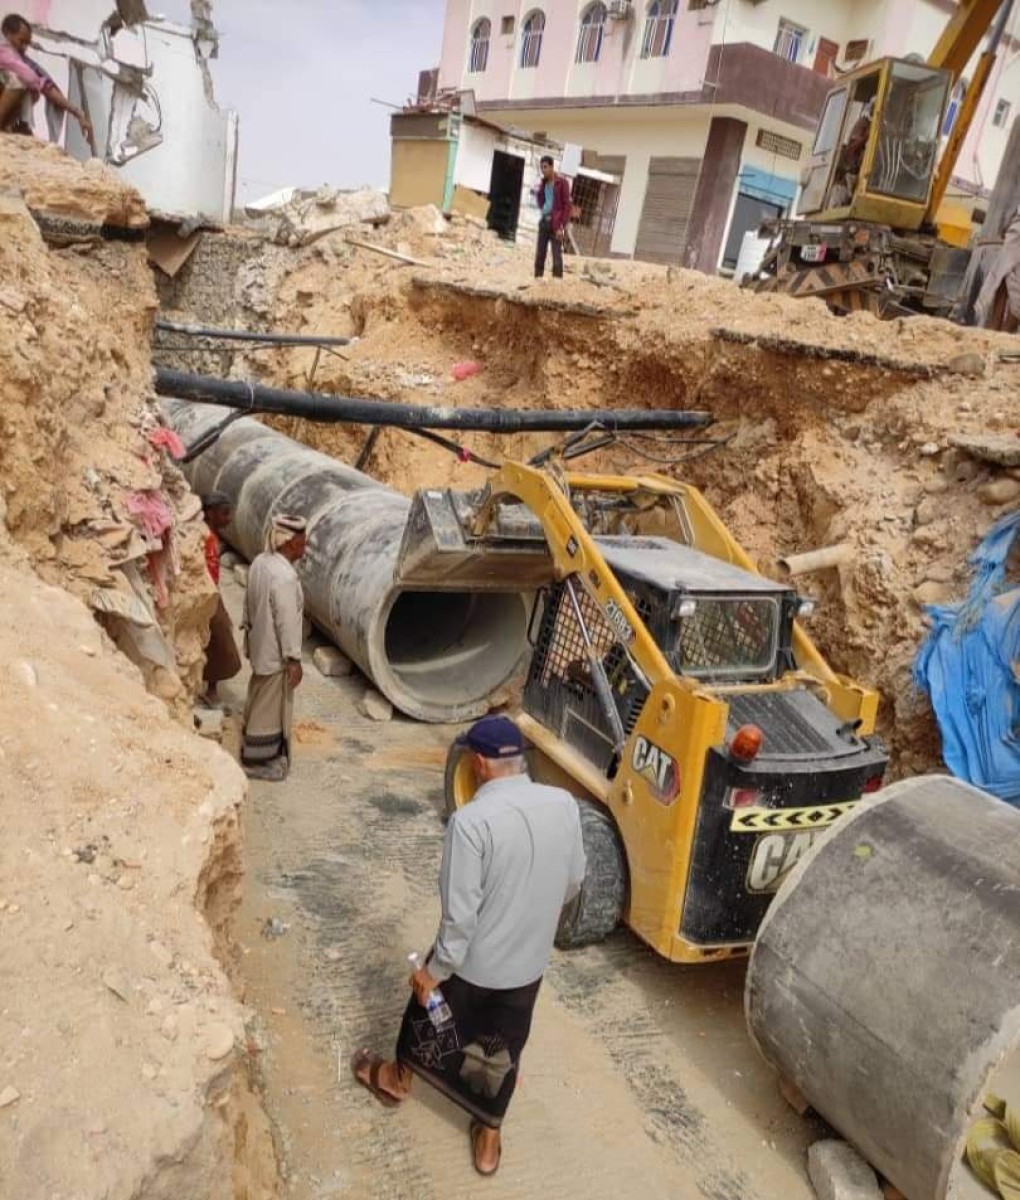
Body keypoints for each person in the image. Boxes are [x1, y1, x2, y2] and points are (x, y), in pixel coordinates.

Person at [350, 715, 587, 1177]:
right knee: (504, 1049)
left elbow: (460, 923)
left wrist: (431, 973)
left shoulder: (470, 823)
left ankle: (396, 1081)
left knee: (424, 1018)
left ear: (479, 765)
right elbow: (574, 880)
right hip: (528, 966)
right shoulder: (563, 804)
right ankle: (489, 1140)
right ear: (519, 760)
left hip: (475, 967)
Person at [239, 513, 307, 781]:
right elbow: (287, 621)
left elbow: (247, 602)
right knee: (268, 709)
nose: (306, 547)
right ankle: (256, 762)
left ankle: (258, 753)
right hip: (274, 651)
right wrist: (293, 658)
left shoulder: (259, 563)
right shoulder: (285, 577)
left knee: (258, 697)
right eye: (303, 541)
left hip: (259, 644)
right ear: (290, 543)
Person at [0, 14, 93, 146]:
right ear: (7, 34)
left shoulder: (19, 58)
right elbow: (32, 78)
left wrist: (77, 113)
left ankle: (15, 126)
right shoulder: (4, 50)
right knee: (19, 82)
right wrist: (38, 86)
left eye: (27, 43)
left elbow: (45, 85)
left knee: (27, 87)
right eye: (22, 41)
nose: (25, 47)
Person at [201, 492, 241, 708]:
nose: (229, 518)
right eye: (224, 513)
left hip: (213, 591)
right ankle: (210, 688)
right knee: (219, 637)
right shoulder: (205, 537)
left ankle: (210, 685)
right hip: (207, 593)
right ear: (210, 514)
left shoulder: (213, 536)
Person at [532, 155, 571, 280]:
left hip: (556, 224)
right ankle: (538, 279)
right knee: (540, 254)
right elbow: (540, 201)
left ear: (552, 167)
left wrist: (562, 226)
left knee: (556, 254)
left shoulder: (562, 183)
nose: (543, 170)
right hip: (544, 222)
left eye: (545, 167)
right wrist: (539, 195)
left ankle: (557, 282)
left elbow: (567, 206)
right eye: (541, 167)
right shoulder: (543, 184)